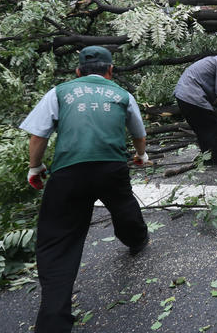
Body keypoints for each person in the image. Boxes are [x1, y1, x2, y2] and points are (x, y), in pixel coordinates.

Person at [20, 46, 150, 333]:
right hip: (111, 168)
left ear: (77, 71)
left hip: (69, 171)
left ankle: (53, 322)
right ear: (111, 70)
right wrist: (142, 156)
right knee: (124, 205)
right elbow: (138, 133)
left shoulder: (59, 92)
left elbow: (38, 135)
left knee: (58, 240)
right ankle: (137, 239)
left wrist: (35, 168)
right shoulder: (122, 94)